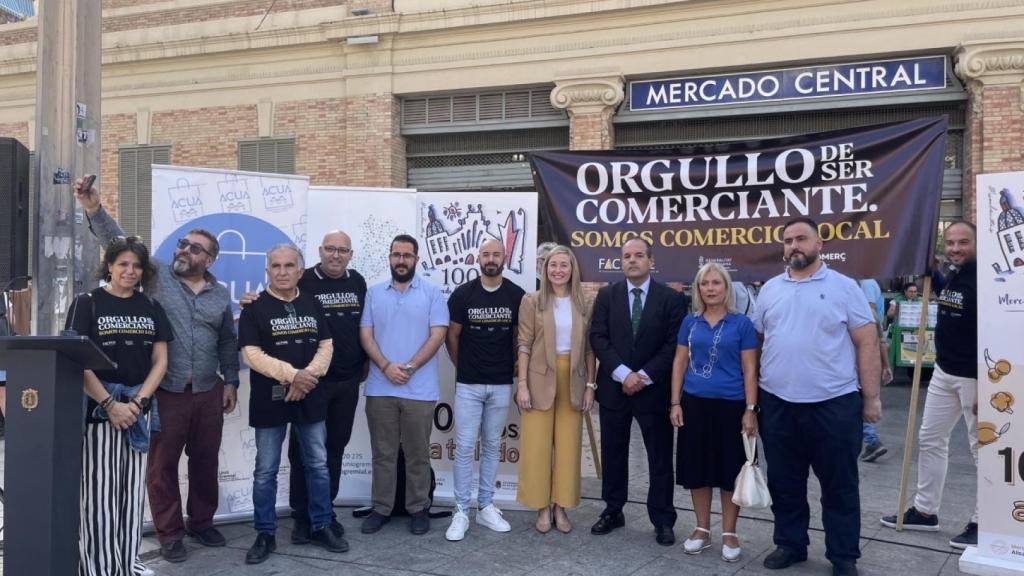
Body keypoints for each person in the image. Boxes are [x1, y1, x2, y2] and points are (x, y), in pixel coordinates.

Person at [72, 177, 240, 563]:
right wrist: (94, 207)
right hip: (165, 392)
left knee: (206, 460)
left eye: (194, 248)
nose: (183, 250)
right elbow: (117, 241)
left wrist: (230, 380)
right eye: (182, 243)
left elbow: (227, 341)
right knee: (161, 467)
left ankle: (202, 522)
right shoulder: (157, 277)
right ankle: (170, 533)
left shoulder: (220, 294)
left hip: (208, 391)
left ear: (209, 260)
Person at [753, 217, 880, 576]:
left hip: (834, 402)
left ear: (819, 244)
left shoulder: (844, 287)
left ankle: (843, 555)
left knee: (839, 484)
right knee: (784, 481)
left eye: (801, 238)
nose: (794, 245)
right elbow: (759, 341)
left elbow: (866, 341)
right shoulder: (770, 289)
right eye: (788, 240)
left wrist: (871, 398)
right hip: (778, 402)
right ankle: (790, 544)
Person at [241, 230, 368, 543]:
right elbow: (251, 353)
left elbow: (328, 342)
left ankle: (323, 520)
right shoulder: (265, 303)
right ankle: (282, 526)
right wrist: (293, 376)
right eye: (276, 266)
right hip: (284, 393)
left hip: (328, 386)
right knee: (278, 465)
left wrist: (306, 377)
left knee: (324, 458)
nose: (283, 272)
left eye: (289, 266)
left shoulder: (345, 287)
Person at [66, 236, 171, 576]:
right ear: (109, 266)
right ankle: (98, 567)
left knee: (131, 492)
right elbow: (77, 361)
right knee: (99, 493)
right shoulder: (87, 303)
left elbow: (161, 361)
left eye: (137, 265)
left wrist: (138, 402)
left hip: (138, 410)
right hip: (99, 409)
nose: (130, 270)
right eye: (123, 263)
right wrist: (110, 403)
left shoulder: (151, 307)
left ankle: (127, 563)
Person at [881, 221, 978, 549]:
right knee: (930, 438)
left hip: (974, 376)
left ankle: (985, 520)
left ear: (976, 243)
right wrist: (932, 269)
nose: (955, 248)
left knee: (982, 448)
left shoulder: (985, 278)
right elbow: (947, 292)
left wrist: (988, 383)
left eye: (963, 242)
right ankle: (925, 511)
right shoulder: (955, 274)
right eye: (950, 243)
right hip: (944, 370)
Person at [589, 238, 686, 546]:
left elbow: (673, 344)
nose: (632, 260)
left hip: (653, 391)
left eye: (638, 255)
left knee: (659, 458)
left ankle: (663, 519)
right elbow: (598, 337)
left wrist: (642, 376)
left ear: (651, 260)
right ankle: (612, 510)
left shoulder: (671, 299)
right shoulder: (607, 295)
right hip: (614, 389)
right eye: (626, 256)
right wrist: (623, 374)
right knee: (613, 454)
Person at [359, 234, 449, 536]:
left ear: (416, 259)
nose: (401, 260)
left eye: (407, 255)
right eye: (396, 255)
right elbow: (366, 335)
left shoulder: (432, 293)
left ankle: (418, 508)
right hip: (380, 387)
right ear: (389, 258)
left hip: (419, 389)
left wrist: (409, 367)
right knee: (382, 453)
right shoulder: (374, 293)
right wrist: (386, 366)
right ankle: (381, 508)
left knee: (417, 453)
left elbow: (438, 335)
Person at [669, 263, 758, 562]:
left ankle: (729, 533)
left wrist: (750, 409)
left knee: (730, 471)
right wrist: (675, 402)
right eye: (704, 283)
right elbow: (680, 362)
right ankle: (702, 529)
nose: (710, 288)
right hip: (695, 404)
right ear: (698, 289)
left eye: (716, 283)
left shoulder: (741, 324)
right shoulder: (690, 322)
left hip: (732, 406)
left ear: (726, 287)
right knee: (698, 469)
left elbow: (750, 369)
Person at [444, 238, 526, 541]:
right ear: (478, 258)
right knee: (465, 447)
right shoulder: (463, 294)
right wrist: (463, 366)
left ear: (504, 258)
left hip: (502, 383)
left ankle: (485, 506)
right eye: (486, 254)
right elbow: (452, 337)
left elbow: (519, 337)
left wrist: (513, 366)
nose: (491, 259)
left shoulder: (516, 295)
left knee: (492, 445)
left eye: (496, 254)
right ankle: (461, 510)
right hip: (469, 383)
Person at [516, 245, 596, 534]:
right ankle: (541, 507)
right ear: (545, 269)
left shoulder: (585, 302)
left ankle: (560, 506)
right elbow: (524, 344)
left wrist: (590, 386)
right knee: (537, 447)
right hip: (538, 379)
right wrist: (522, 385)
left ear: (572, 269)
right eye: (553, 265)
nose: (558, 270)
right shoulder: (532, 300)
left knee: (568, 447)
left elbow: (590, 349)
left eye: (564, 265)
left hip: (574, 379)